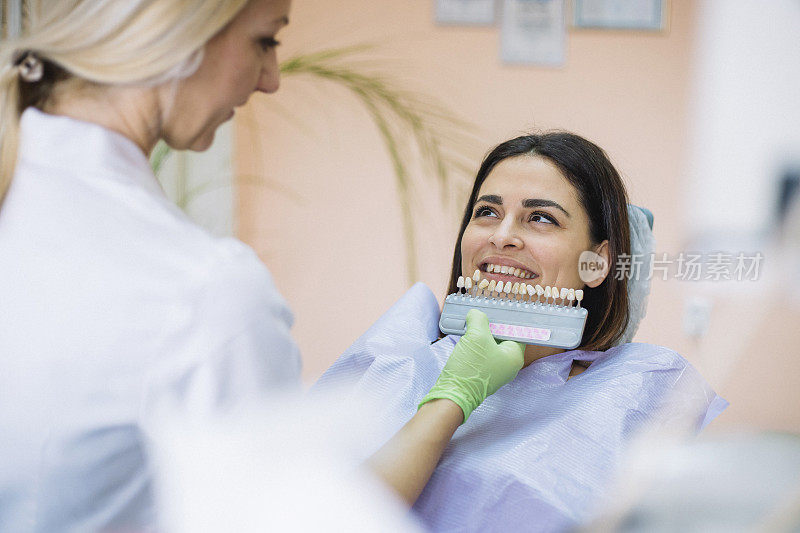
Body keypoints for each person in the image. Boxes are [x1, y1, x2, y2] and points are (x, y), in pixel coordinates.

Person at [0, 1, 524, 530]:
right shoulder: (203, 291)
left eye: (541, 219)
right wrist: (451, 403)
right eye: (265, 41)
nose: (271, 79)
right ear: (181, 33)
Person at [316, 132, 729, 532]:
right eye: (487, 212)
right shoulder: (396, 357)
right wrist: (452, 399)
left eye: (541, 218)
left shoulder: (639, 388)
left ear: (597, 263)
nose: (501, 235)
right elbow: (315, 515)